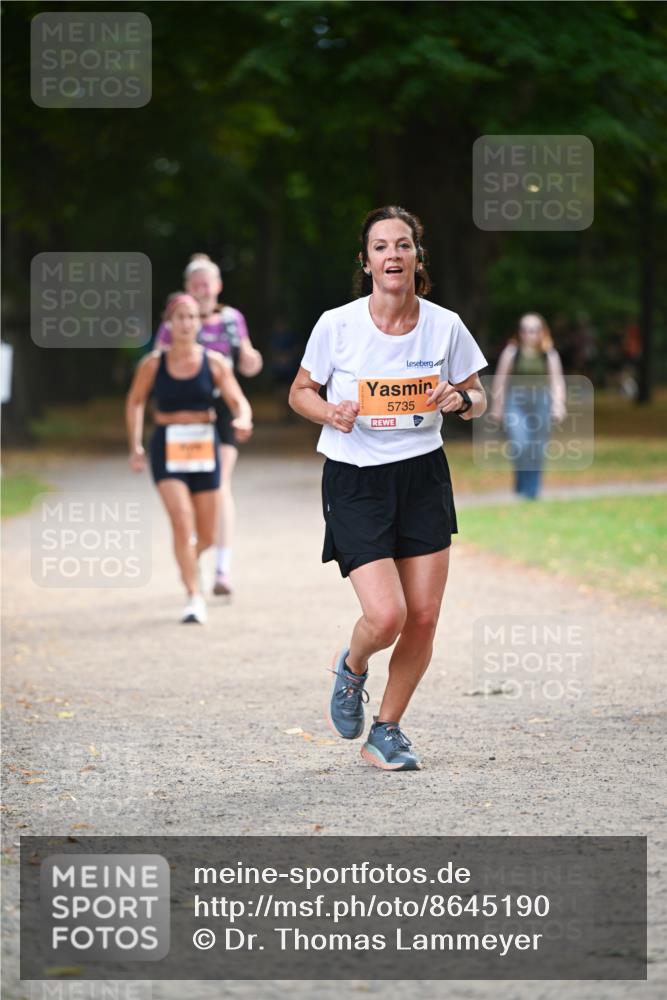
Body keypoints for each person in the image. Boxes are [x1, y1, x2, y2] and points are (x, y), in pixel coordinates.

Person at [289, 206, 488, 771]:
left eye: (403, 245)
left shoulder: (445, 325)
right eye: (381, 246)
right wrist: (331, 412)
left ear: (417, 257)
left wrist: (461, 400)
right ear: (366, 261)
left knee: (423, 616)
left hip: (422, 475)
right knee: (386, 617)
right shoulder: (337, 325)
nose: (393, 255)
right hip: (355, 477)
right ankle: (353, 666)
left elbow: (478, 396)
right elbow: (300, 392)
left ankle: (387, 731)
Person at [126, 293, 253, 623]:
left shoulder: (215, 363)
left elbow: (238, 401)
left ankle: (189, 562)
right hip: (167, 448)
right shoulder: (153, 364)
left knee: (207, 535)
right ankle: (194, 596)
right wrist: (135, 445)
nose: (186, 323)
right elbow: (136, 402)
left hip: (204, 447)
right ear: (168, 323)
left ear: (199, 323)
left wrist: (243, 419)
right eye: (179, 317)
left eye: (192, 317)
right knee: (182, 521)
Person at [155, 255, 263, 596]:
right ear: (188, 287)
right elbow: (157, 369)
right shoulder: (173, 321)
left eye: (207, 283)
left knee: (220, 484)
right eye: (196, 284)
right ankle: (193, 552)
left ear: (218, 286)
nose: (202, 290)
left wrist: (252, 361)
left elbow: (248, 363)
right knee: (189, 492)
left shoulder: (231, 320)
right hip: (186, 411)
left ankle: (221, 568)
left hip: (222, 410)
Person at [489, 313, 567, 500]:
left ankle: (532, 490)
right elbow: (501, 380)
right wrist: (497, 407)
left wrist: (559, 405)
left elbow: (557, 381)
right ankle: (522, 482)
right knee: (520, 444)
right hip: (516, 402)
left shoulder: (549, 353)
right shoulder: (512, 352)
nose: (529, 334)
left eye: (533, 330)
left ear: (541, 332)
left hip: (541, 402)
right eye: (525, 330)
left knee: (537, 448)